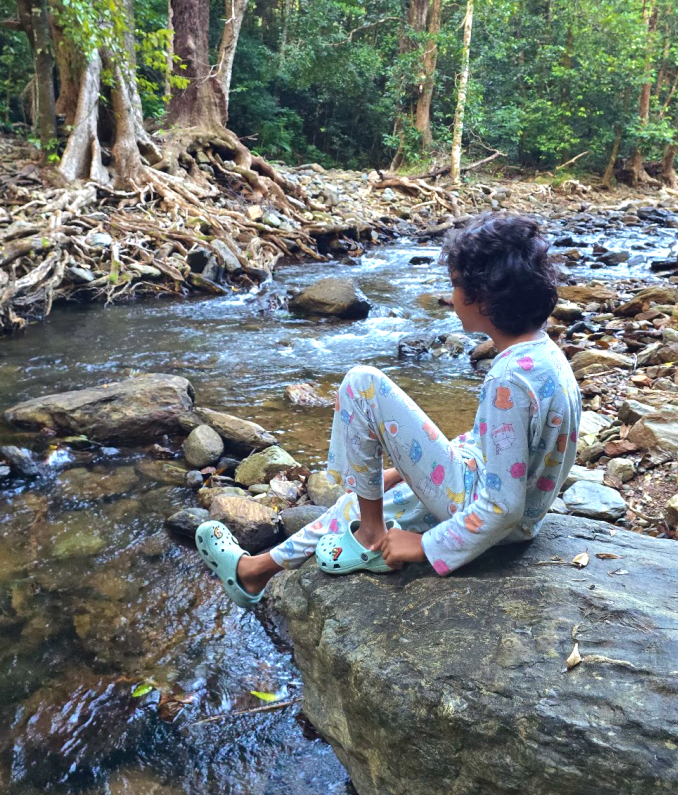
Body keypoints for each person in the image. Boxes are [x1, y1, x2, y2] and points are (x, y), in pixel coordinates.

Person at [196, 213, 582, 608]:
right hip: (513, 514)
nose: (450, 298)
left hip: (487, 514)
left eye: (454, 286)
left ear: (484, 297)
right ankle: (253, 572)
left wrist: (424, 546)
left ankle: (367, 535)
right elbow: (501, 450)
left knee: (363, 384)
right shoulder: (544, 357)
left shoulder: (509, 381)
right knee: (360, 501)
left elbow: (502, 508)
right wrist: (401, 470)